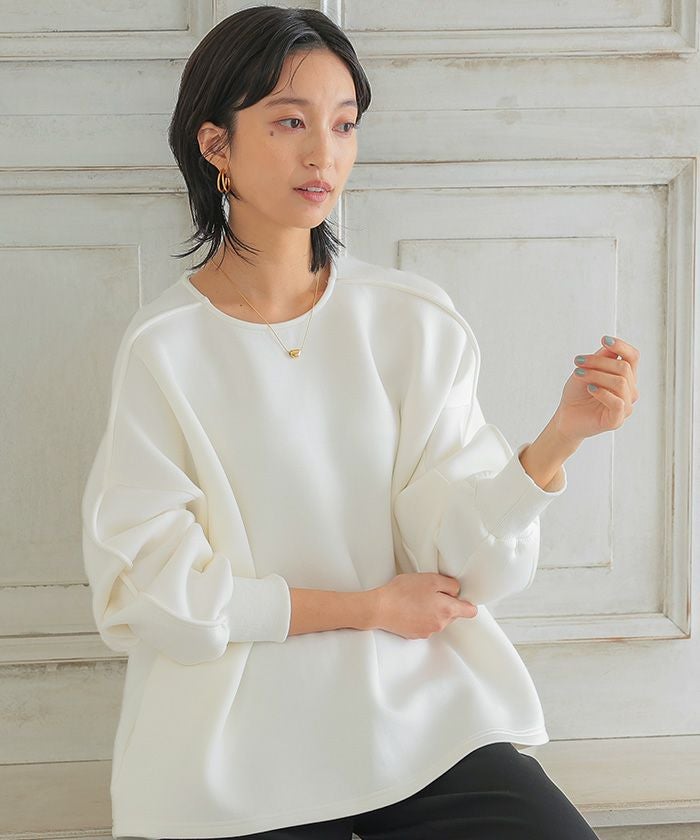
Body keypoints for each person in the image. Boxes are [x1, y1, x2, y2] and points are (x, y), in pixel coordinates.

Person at [81, 6, 639, 839]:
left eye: (343, 125)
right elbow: (152, 593)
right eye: (290, 123)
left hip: (419, 722)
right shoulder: (165, 349)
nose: (324, 155)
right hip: (234, 746)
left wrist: (559, 440)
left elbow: (463, 565)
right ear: (215, 145)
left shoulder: (412, 320)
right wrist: (366, 607)